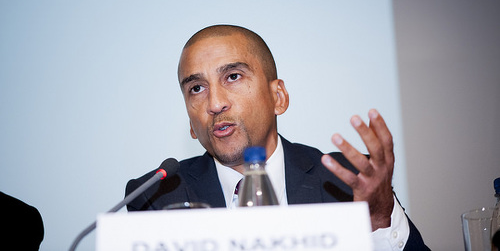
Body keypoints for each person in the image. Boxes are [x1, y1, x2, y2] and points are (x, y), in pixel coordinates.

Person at [126, 24, 430, 250]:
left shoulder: (348, 181)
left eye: (232, 77)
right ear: (191, 123)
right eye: (196, 88)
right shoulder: (158, 196)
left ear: (278, 97)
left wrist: (379, 217)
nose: (214, 103)